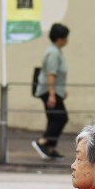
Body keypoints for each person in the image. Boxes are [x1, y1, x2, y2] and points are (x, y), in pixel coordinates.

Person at [32, 23, 70, 160]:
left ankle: (50, 148)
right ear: (60, 38)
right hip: (49, 90)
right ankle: (43, 142)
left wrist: (61, 90)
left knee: (53, 118)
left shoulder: (56, 50)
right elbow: (51, 74)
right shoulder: (53, 53)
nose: (67, 40)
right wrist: (52, 94)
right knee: (61, 117)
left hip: (54, 90)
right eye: (66, 37)